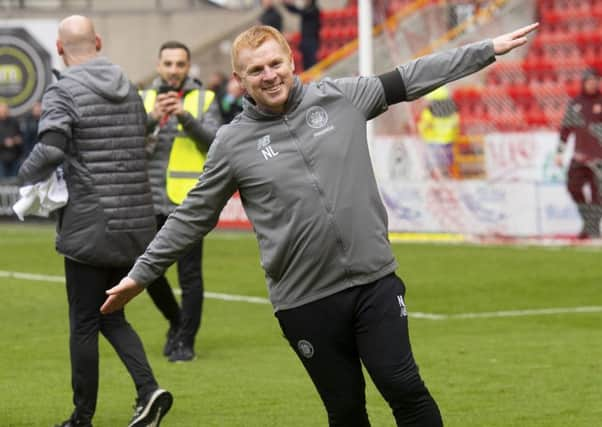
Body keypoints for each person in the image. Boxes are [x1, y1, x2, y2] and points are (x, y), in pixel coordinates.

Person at [102, 23, 539, 426]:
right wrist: (141, 275)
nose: (269, 75)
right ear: (240, 79)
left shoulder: (343, 97)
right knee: (346, 411)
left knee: (403, 386)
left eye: (275, 63)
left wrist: (485, 50)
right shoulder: (232, 143)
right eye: (256, 70)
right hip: (304, 300)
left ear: (292, 61)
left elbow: (410, 77)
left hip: (374, 282)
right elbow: (193, 214)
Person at [17, 15, 172, 427]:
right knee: (110, 314)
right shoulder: (127, 87)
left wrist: (21, 177)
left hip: (90, 225)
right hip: (135, 224)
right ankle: (149, 391)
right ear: (98, 42)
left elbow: (50, 149)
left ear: (60, 47)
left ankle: (81, 417)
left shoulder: (62, 90)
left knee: (84, 322)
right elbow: (141, 133)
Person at [140, 40, 222, 362]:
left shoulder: (206, 99)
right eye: (168, 64)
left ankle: (185, 341)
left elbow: (217, 144)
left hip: (188, 203)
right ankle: (176, 321)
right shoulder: (143, 98)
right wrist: (151, 119)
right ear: (159, 66)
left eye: (180, 64)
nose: (174, 70)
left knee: (190, 276)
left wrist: (185, 117)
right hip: (147, 201)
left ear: (188, 68)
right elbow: (126, 140)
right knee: (147, 272)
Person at [555, 68, 602, 239]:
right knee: (573, 187)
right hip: (579, 157)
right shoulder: (575, 104)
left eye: (596, 80)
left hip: (599, 158)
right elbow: (565, 131)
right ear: (584, 82)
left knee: (599, 195)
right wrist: (559, 152)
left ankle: (591, 229)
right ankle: (590, 224)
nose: (594, 83)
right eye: (590, 80)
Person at [417, 85, 460, 179]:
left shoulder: (429, 112)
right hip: (448, 141)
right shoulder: (451, 111)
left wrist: (420, 128)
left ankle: (438, 180)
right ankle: (445, 179)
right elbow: (455, 125)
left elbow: (425, 126)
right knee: (445, 166)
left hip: (433, 142)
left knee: (434, 165)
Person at [283, 0, 321, 70]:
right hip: (305, 40)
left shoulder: (314, 9)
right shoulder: (307, 9)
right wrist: (287, 5)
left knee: (312, 64)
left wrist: (290, 5)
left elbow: (300, 12)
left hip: (312, 41)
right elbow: (297, 11)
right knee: (305, 64)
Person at [0, 102, 23, 178]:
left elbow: (20, 137)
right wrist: (4, 142)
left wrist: (16, 141)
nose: (4, 113)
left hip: (14, 157)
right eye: (2, 111)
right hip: (1, 159)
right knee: (2, 183)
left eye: (6, 111)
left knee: (14, 183)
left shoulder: (14, 122)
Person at [19, 101, 42, 165]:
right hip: (29, 153)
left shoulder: (46, 120)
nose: (38, 110)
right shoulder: (28, 121)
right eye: (37, 109)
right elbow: (25, 139)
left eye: (40, 109)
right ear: (33, 110)